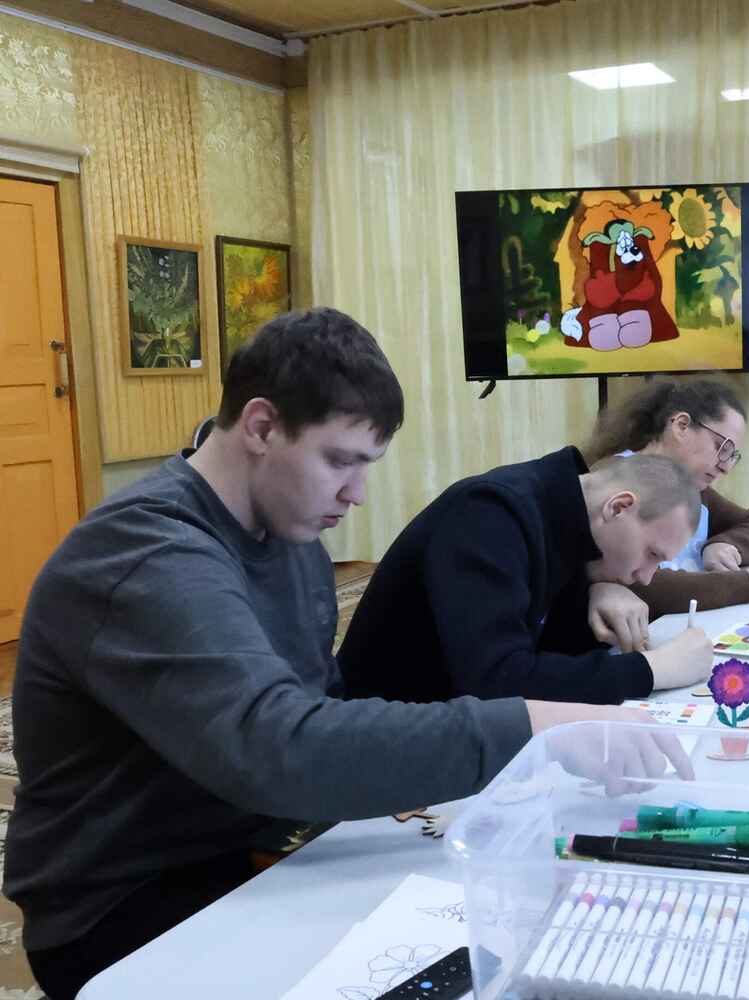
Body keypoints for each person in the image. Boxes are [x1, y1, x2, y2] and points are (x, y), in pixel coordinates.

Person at [3, 308, 689, 1000]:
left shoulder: (291, 537)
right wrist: (537, 724)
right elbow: (277, 747)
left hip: (255, 841)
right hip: (126, 898)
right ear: (262, 427)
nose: (357, 494)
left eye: (367, 466)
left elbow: (319, 707)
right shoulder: (147, 552)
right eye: (340, 461)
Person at [335, 449, 715, 704]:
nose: (646, 578)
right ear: (618, 507)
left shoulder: (568, 515)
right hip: (383, 742)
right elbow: (498, 683)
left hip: (446, 727)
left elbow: (553, 653)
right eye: (652, 555)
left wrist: (595, 588)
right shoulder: (490, 515)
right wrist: (652, 670)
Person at [583, 378, 749, 622]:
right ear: (681, 425)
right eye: (721, 447)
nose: (725, 467)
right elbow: (633, 580)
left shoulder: (691, 487)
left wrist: (721, 545)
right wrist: (748, 584)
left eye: (732, 455)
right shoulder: (617, 479)